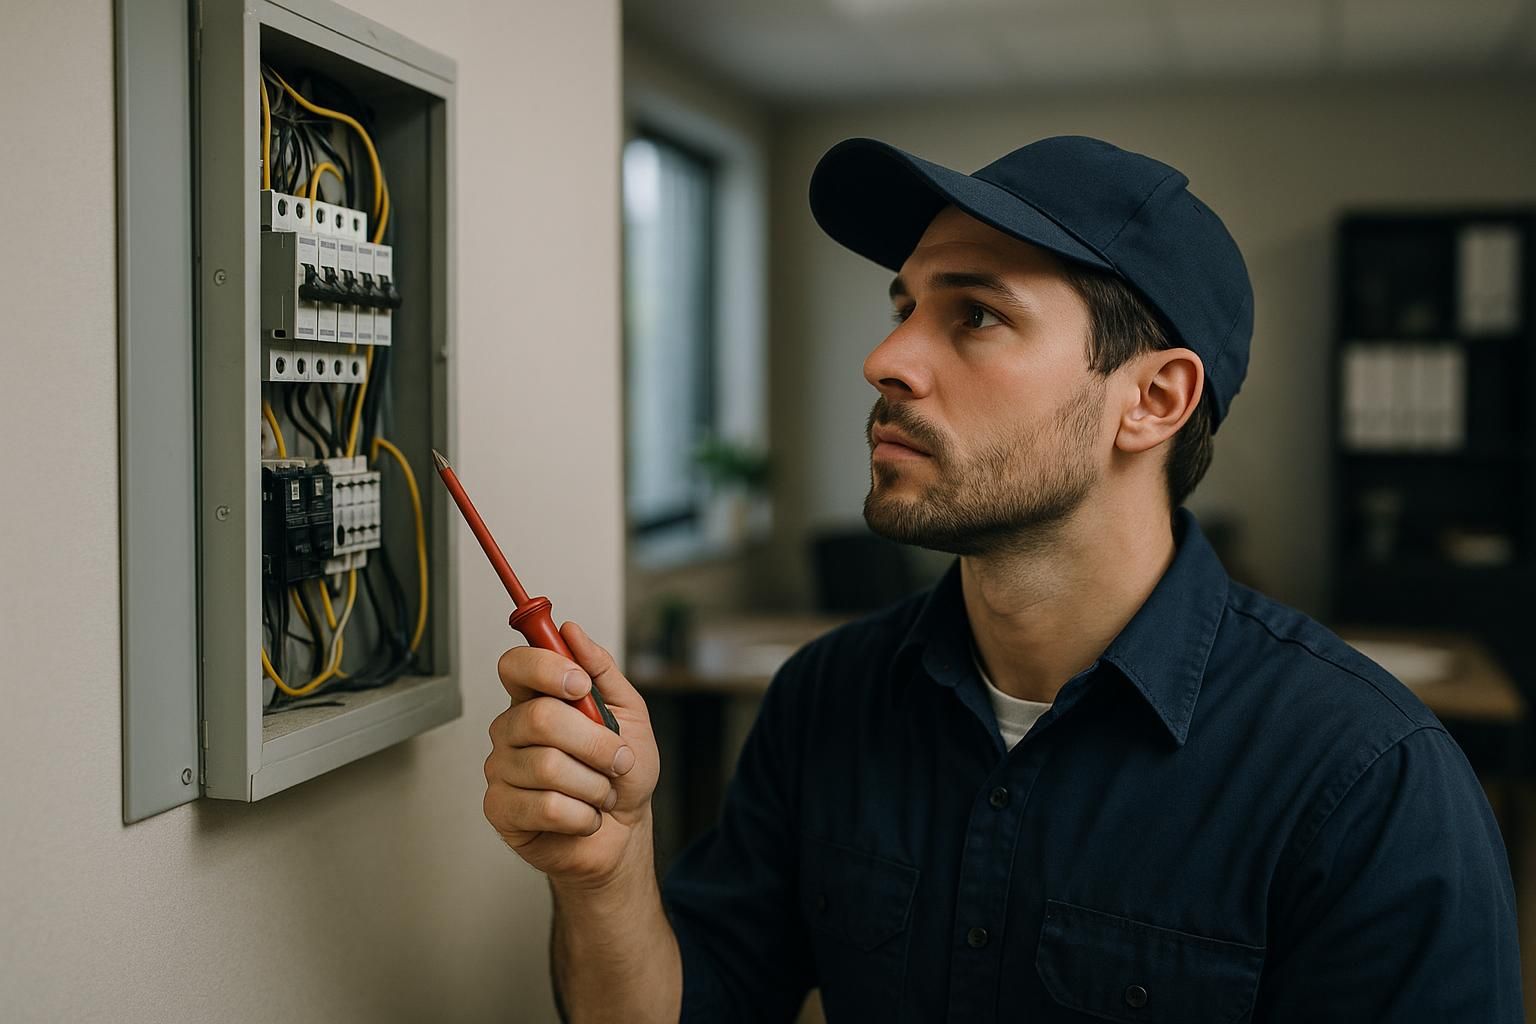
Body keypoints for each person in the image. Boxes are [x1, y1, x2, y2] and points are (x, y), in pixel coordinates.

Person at [483, 136, 1522, 1022]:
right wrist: (609, 874)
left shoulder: (1368, 784)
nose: (886, 358)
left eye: (974, 315)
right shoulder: (826, 699)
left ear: (1153, 398)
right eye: (905, 305)